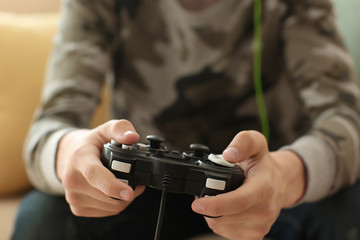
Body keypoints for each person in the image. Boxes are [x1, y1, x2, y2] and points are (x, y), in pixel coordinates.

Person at [12, 0, 360, 239]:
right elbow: (50, 127)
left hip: (267, 181)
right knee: (44, 218)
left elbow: (346, 120)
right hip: (138, 186)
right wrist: (72, 154)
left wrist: (286, 177)